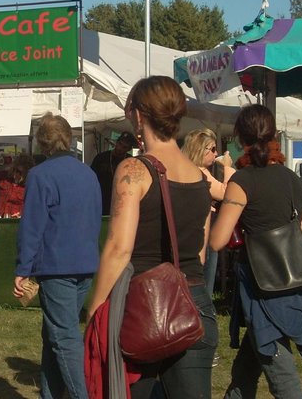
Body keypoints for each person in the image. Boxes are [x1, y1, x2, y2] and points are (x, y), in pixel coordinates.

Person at [87, 76, 218, 399]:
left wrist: (94, 311)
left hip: (144, 305)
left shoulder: (135, 170)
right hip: (195, 302)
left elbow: (119, 248)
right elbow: (199, 253)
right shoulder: (199, 176)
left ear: (140, 116)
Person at [210, 104, 302, 399]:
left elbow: (217, 241)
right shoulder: (294, 180)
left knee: (281, 376)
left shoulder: (242, 182)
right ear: (273, 134)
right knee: (246, 369)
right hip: (293, 284)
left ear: (239, 137)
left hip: (263, 287)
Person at [13, 114, 102, 399]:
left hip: (57, 265)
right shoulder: (88, 173)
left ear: (41, 143)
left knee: (63, 337)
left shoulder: (41, 175)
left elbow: (32, 226)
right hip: (85, 263)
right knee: (55, 333)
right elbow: (95, 218)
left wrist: (23, 268)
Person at [182, 128, 235, 298]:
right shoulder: (200, 173)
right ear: (200, 150)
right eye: (212, 149)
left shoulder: (186, 170)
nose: (216, 153)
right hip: (205, 228)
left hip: (190, 230)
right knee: (205, 279)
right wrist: (228, 167)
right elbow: (226, 192)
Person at [90, 131, 137, 216]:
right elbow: (91, 179)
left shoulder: (131, 162)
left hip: (122, 204)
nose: (119, 148)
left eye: (124, 147)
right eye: (119, 143)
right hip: (102, 203)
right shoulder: (101, 158)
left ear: (129, 149)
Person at [0, 153, 34, 218]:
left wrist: (21, 214)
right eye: (15, 170)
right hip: (0, 219)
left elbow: (33, 206)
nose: (16, 174)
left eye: (20, 172)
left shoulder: (30, 186)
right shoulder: (4, 178)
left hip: (17, 221)